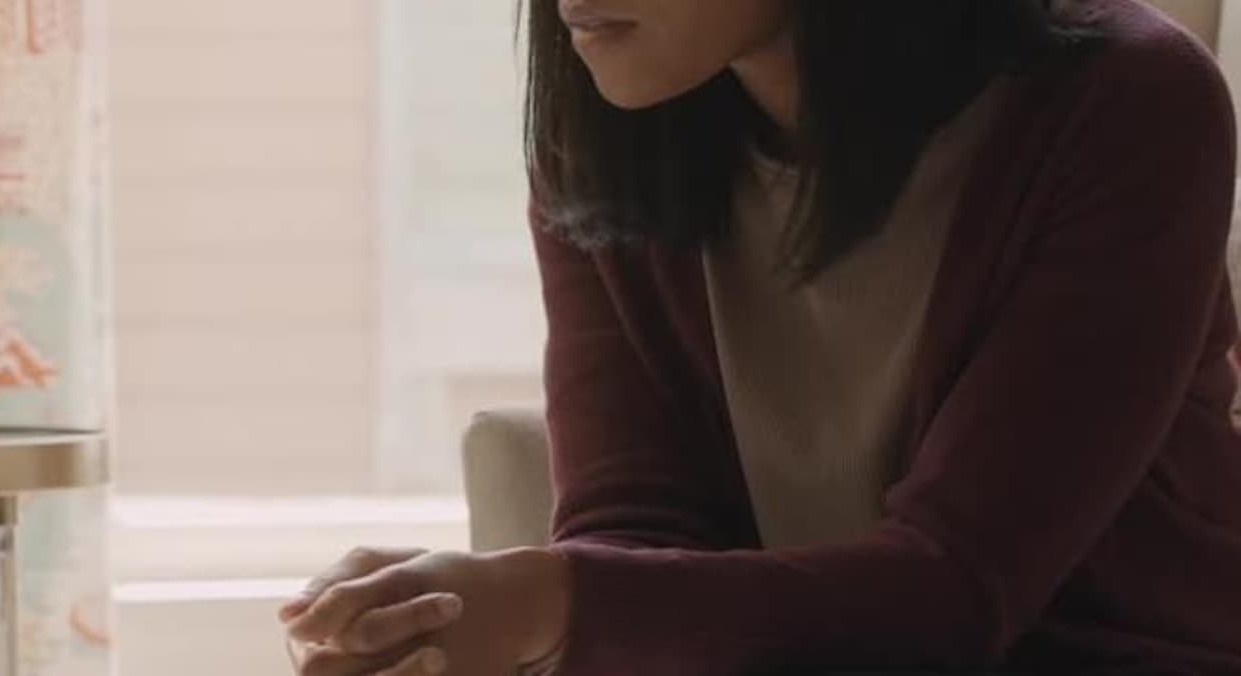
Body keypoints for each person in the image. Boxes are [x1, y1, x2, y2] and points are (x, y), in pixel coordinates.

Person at [279, 0, 1241, 674]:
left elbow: (961, 587)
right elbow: (638, 532)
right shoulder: (609, 145)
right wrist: (450, 623)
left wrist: (550, 602)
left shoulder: (1129, 104)